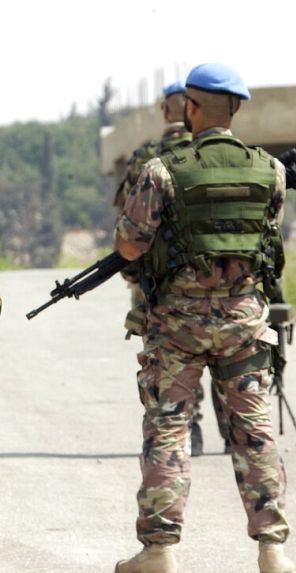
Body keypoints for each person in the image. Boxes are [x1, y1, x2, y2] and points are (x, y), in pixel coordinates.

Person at [113, 62, 293, 573]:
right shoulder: (271, 170)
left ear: (190, 107)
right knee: (254, 433)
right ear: (236, 108)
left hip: (177, 327)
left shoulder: (162, 169)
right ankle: (272, 550)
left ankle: (160, 551)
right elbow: (265, 243)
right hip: (244, 322)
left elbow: (130, 243)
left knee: (167, 431)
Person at [114, 80, 230, 457]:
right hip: (225, 274)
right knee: (229, 353)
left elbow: (128, 223)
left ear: (168, 110)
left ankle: (189, 430)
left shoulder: (148, 157)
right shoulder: (222, 154)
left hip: (163, 282)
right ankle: (232, 431)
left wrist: (137, 277)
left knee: (175, 360)